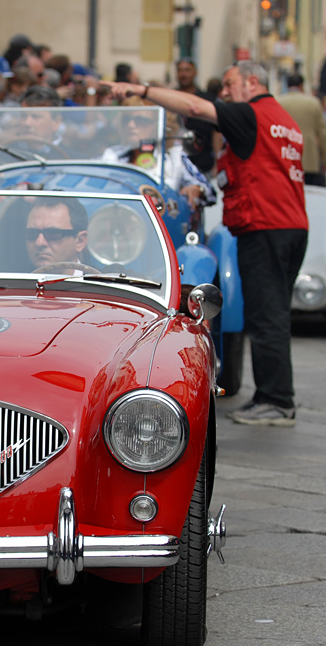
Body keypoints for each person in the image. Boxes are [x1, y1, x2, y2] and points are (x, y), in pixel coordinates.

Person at [105, 60, 308, 427]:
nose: (224, 93)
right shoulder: (284, 121)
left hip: (264, 226)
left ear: (251, 82)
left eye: (229, 85)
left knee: (266, 316)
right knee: (273, 313)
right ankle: (274, 396)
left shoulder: (251, 114)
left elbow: (197, 108)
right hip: (288, 226)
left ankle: (277, 400)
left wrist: (143, 91)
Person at [101, 96, 215, 208]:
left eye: (140, 120)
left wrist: (196, 189)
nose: (131, 125)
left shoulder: (173, 158)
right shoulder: (112, 155)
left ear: (159, 125)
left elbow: (210, 192)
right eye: (126, 120)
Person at [277, 74, 326, 186]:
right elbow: (323, 134)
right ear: (301, 85)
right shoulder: (313, 103)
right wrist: (325, 159)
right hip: (309, 158)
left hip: (285, 157)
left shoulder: (278, 102)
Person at [173, 58, 220, 175]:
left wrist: (217, 163)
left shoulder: (206, 100)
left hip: (203, 165)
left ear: (195, 72)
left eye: (187, 70)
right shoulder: (170, 99)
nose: (183, 74)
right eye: (180, 70)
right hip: (176, 166)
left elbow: (216, 133)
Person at [25, 196, 89, 270]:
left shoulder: (98, 280)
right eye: (32, 233)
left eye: (53, 234)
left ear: (80, 241)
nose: (39, 243)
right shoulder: (12, 278)